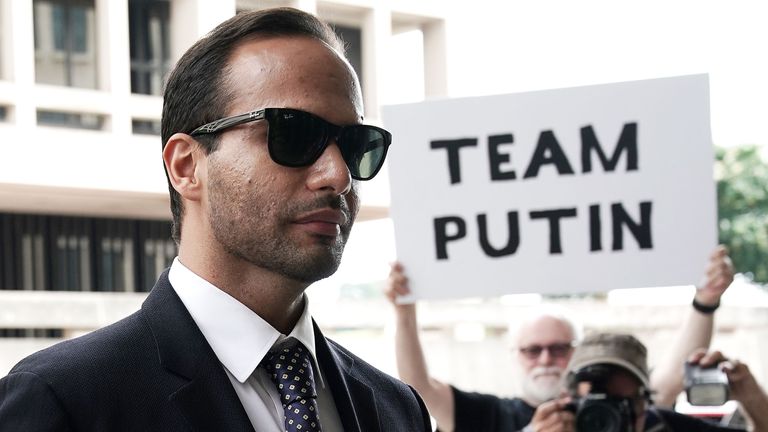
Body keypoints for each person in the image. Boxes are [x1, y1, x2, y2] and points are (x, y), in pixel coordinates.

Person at [0, 8, 430, 432]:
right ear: (187, 166)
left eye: (356, 144)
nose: (338, 175)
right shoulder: (64, 401)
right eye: (294, 133)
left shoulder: (398, 410)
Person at [385, 246, 734, 431]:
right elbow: (417, 386)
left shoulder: (621, 403)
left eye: (558, 348)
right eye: (532, 350)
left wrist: (705, 303)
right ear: (515, 356)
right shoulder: (490, 415)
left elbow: (669, 380)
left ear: (580, 354)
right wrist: (404, 313)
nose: (546, 359)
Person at [554, 332, 768, 432]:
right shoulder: (545, 426)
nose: (610, 419)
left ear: (644, 404)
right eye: (595, 405)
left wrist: (753, 399)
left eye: (623, 405)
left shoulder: (663, 426)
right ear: (567, 403)